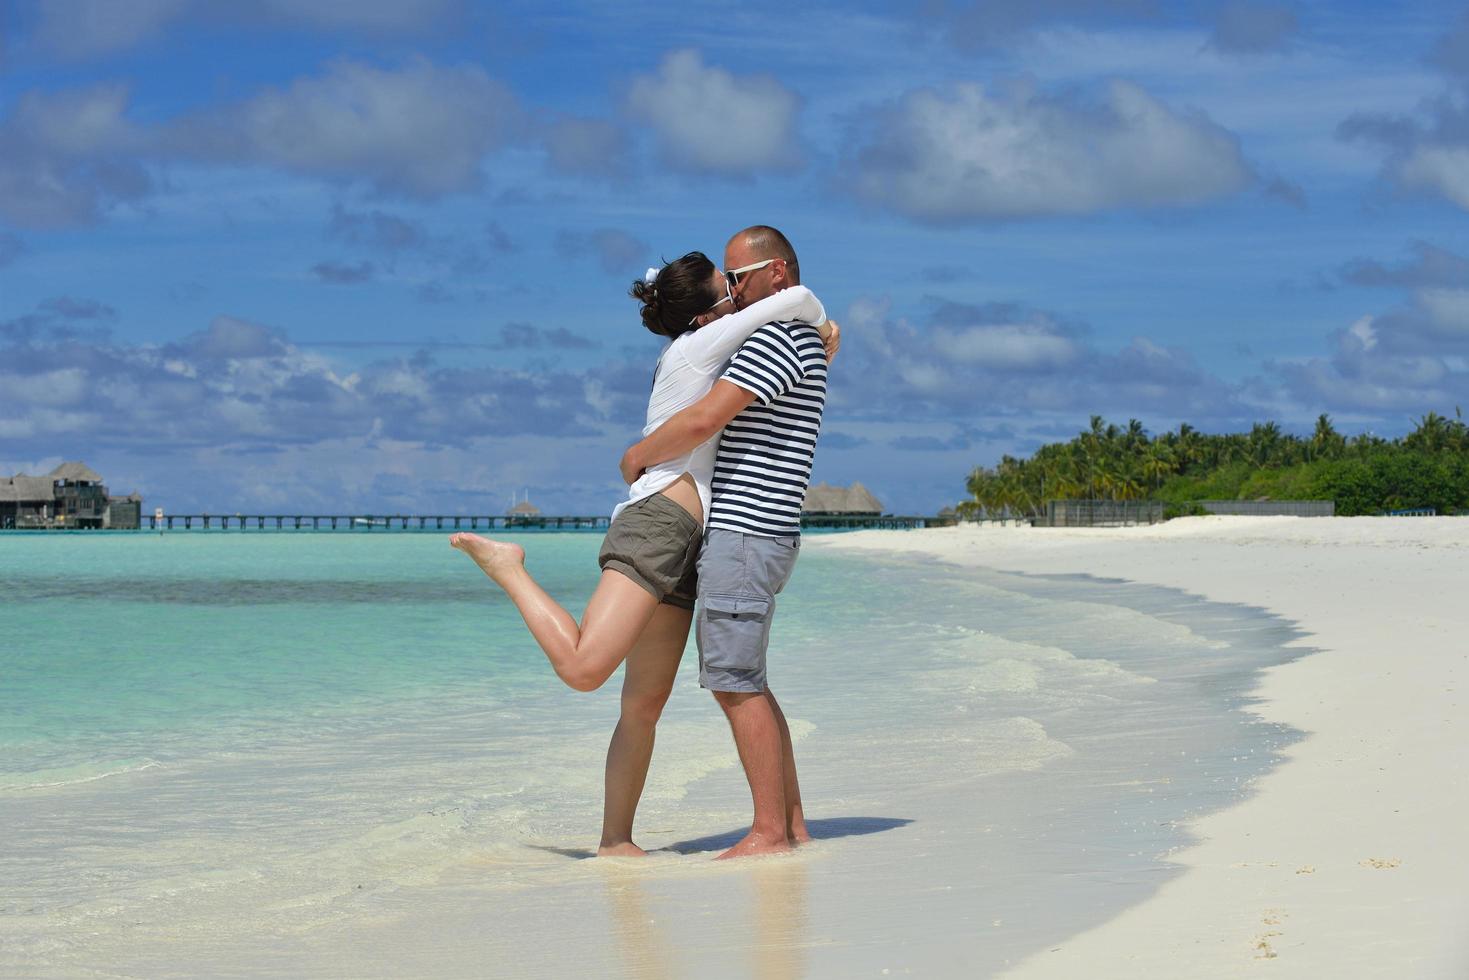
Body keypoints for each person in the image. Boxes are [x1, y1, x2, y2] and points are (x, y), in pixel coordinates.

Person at [451, 250, 838, 856]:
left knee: (643, 705)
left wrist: (818, 343)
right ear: (710, 311)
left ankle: (615, 841)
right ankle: (509, 567)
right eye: (728, 290)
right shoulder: (698, 346)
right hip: (659, 521)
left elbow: (783, 350)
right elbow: (799, 302)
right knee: (585, 670)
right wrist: (821, 324)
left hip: (693, 537)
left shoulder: (720, 344)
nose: (738, 296)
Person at [619, 226, 829, 859]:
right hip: (760, 530)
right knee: (747, 680)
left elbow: (707, 418)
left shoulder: (777, 339)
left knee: (735, 681)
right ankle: (789, 823)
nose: (732, 291)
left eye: (739, 278)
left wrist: (637, 456)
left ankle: (770, 831)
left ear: (778, 274)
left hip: (745, 530)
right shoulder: (796, 336)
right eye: (729, 280)